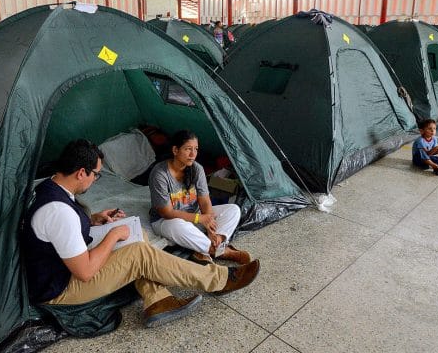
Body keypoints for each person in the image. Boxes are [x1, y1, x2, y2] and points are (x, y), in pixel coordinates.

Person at [21, 139, 260, 328]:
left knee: (139, 236)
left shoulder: (52, 187)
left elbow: (61, 233)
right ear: (81, 172)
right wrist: (113, 235)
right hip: (61, 290)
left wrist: (93, 220)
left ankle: (157, 300)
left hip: (62, 269)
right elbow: (85, 272)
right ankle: (220, 279)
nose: (96, 179)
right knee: (137, 253)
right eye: (96, 174)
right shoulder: (59, 211)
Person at [149, 130, 251, 266]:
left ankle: (214, 243)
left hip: (194, 215)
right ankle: (221, 251)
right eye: (188, 149)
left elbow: (204, 200)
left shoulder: (197, 169)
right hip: (166, 221)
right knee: (177, 225)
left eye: (195, 149)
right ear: (175, 150)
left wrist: (211, 229)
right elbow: (167, 212)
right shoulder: (160, 174)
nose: (193, 154)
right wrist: (200, 219)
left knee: (233, 210)